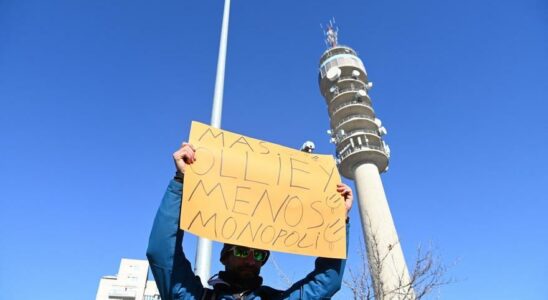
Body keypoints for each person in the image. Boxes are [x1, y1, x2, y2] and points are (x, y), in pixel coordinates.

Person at [147, 143, 354, 300]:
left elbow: (328, 281)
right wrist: (181, 181)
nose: (251, 260)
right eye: (241, 251)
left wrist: (338, 220)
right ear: (224, 257)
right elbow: (162, 254)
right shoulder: (194, 296)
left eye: (259, 255)